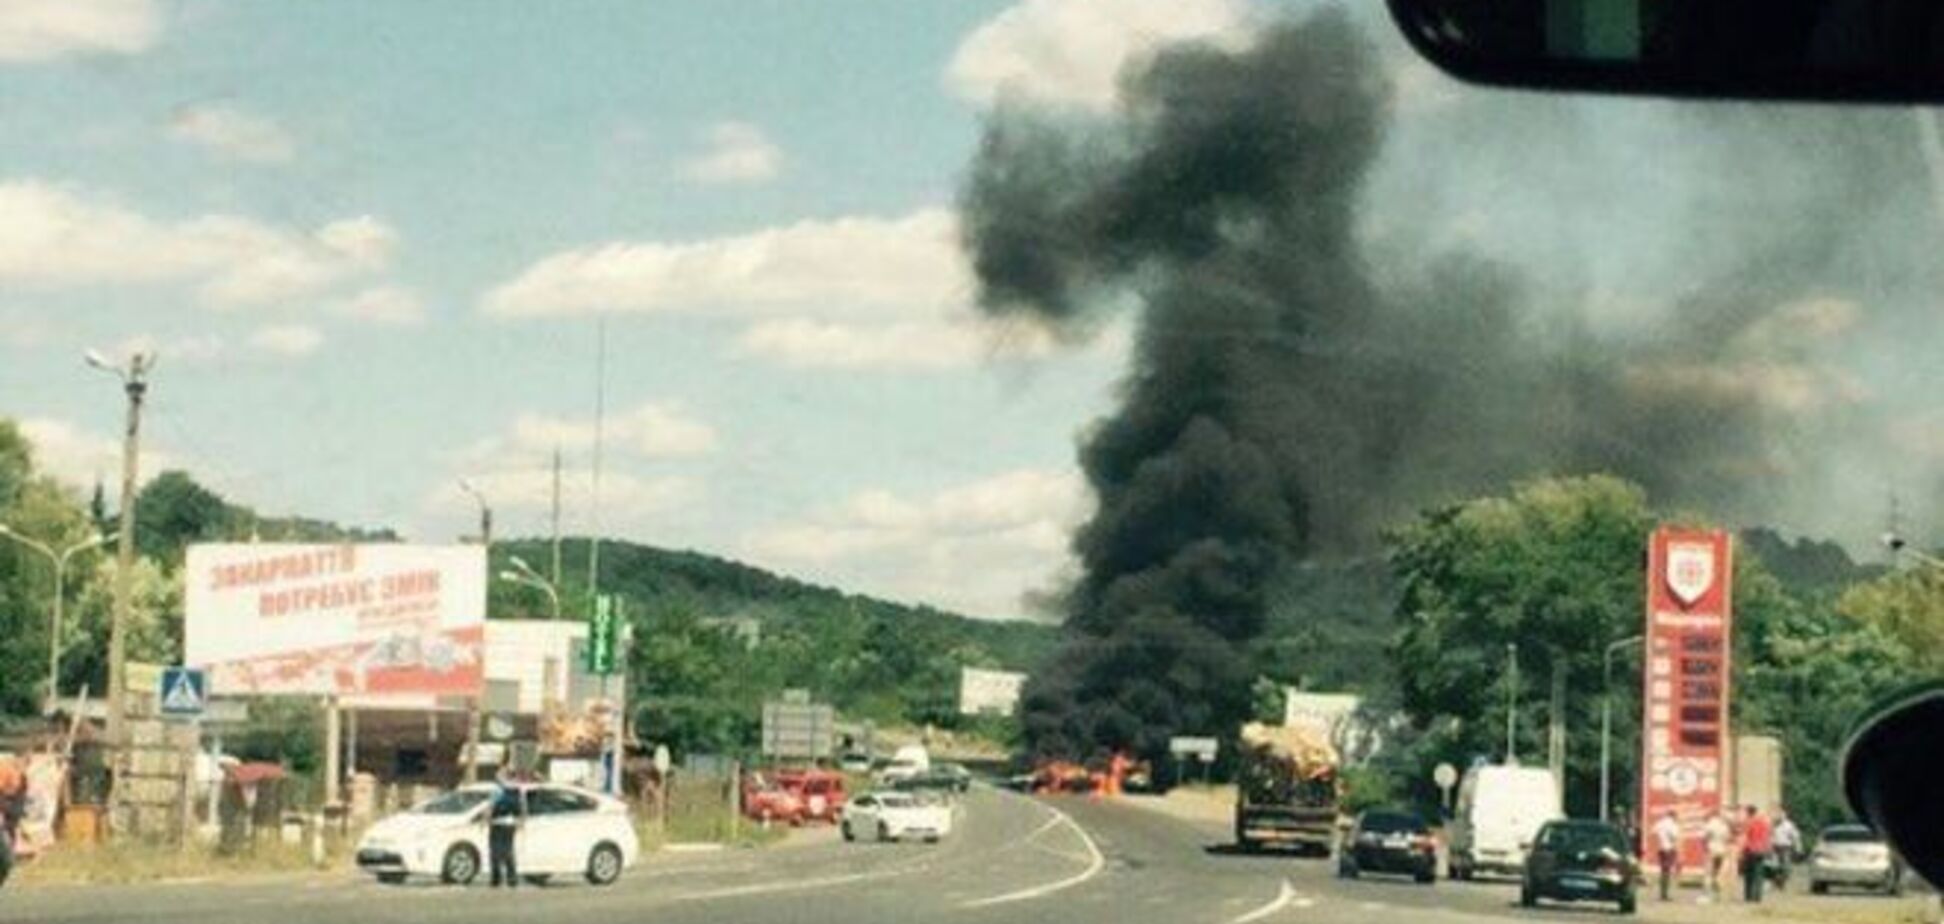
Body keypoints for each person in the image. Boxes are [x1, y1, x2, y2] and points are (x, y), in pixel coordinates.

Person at [488, 776, 524, 889]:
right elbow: (522, 807)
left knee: (495, 852)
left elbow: (490, 806)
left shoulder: (497, 791)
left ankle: (496, 878)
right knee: (508, 850)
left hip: (497, 823)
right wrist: (521, 821)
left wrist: (487, 820)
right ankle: (512, 877)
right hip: (510, 823)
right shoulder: (516, 791)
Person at [1740, 805, 1773, 903]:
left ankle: (1748, 896)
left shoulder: (1748, 822)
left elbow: (1745, 837)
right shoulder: (1764, 823)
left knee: (1749, 874)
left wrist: (1741, 851)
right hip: (1761, 850)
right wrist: (1768, 848)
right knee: (1759, 874)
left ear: (1748, 812)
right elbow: (1767, 836)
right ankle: (1758, 897)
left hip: (1750, 850)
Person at [1652, 810, 1683, 901]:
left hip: (1661, 849)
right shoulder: (1672, 825)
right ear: (1673, 816)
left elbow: (1654, 830)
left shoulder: (1660, 823)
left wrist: (1660, 838)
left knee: (1663, 871)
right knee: (1667, 872)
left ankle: (1662, 892)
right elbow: (1675, 836)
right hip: (1669, 849)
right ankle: (1664, 894)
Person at [1704, 811, 1733, 902]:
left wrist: (1706, 846)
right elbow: (1728, 839)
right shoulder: (1725, 827)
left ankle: (1708, 895)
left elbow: (1705, 837)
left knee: (1709, 873)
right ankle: (1718, 895)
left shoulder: (1710, 824)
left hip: (1711, 849)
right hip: (1722, 850)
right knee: (1718, 873)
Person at [1770, 808, 1801, 891]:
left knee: (1786, 867)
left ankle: (1782, 882)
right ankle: (1776, 882)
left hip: (1785, 848)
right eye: (1778, 815)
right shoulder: (1773, 824)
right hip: (1775, 847)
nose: (1779, 816)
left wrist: (1798, 848)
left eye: (1781, 815)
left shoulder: (1789, 825)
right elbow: (1770, 836)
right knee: (1774, 866)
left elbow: (1796, 837)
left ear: (1785, 816)